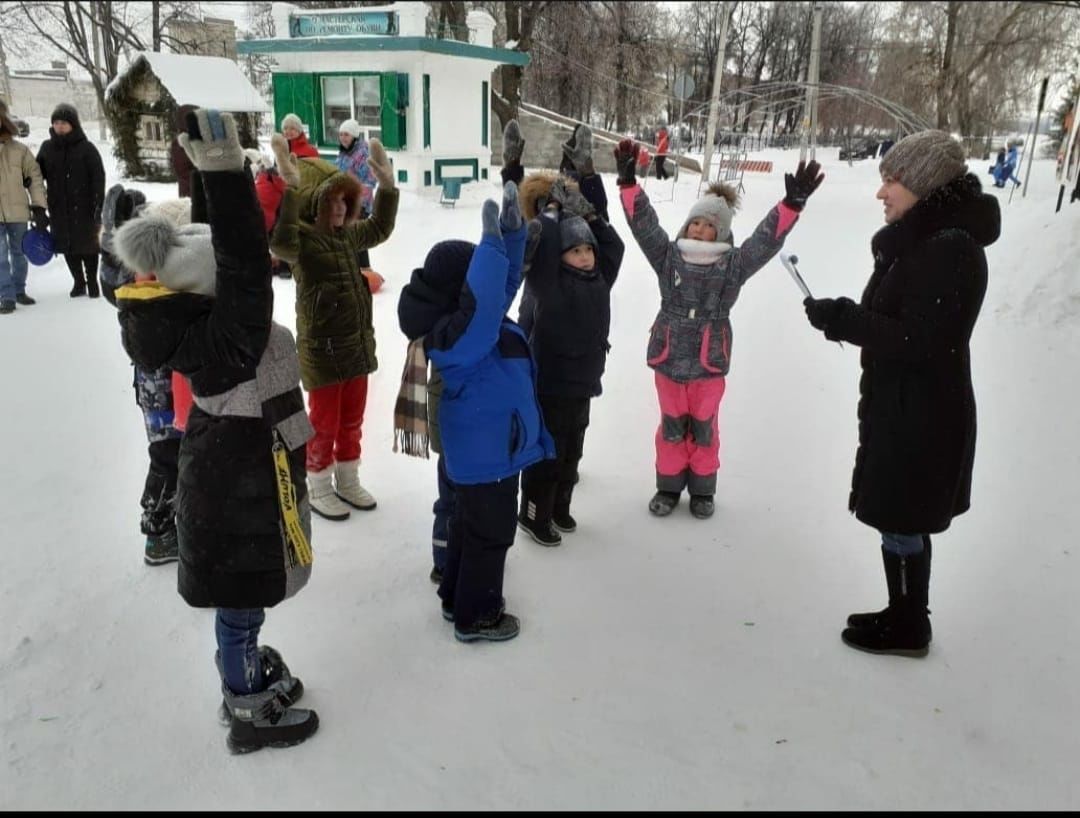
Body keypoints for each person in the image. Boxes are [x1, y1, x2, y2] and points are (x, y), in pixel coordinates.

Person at [112, 108, 318, 752]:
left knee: (245, 600)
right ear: (211, 291)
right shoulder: (228, 337)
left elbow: (211, 244)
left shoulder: (201, 322)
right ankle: (247, 703)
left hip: (242, 470)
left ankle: (247, 662)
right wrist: (227, 175)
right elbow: (242, 262)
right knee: (239, 601)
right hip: (239, 484)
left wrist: (200, 170)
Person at [802, 130, 999, 657]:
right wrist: (845, 318)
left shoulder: (950, 248)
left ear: (922, 184)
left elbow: (921, 339)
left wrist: (845, 319)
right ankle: (904, 612)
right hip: (906, 404)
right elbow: (901, 324)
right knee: (899, 515)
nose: (881, 192)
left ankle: (910, 625)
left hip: (924, 412)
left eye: (891, 180)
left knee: (903, 515)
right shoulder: (926, 242)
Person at [612, 138, 823, 519]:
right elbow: (644, 227)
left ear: (721, 233)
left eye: (709, 225)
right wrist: (629, 185)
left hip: (708, 361)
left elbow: (763, 242)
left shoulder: (733, 265)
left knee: (704, 428)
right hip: (670, 356)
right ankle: (669, 485)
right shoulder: (669, 256)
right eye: (695, 221)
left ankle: (703, 489)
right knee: (672, 426)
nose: (699, 228)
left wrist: (790, 206)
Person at [397, 182, 553, 642]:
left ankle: (454, 595)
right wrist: (489, 246)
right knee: (490, 535)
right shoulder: (459, 338)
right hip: (490, 458)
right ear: (458, 292)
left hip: (486, 453)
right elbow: (486, 297)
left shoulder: (464, 324)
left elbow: (497, 288)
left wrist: (510, 237)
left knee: (469, 527)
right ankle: (477, 614)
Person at [269, 133, 399, 521]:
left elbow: (379, 229)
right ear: (316, 204)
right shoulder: (304, 243)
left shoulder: (348, 237)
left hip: (356, 348)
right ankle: (319, 483)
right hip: (323, 352)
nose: (340, 209)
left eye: (345, 200)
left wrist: (388, 188)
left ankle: (347, 478)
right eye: (331, 201)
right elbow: (281, 245)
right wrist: (291, 192)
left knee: (352, 421)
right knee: (323, 425)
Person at [514, 131, 625, 546]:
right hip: (549, 382)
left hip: (583, 383)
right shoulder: (549, 283)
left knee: (571, 453)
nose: (584, 256)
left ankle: (560, 504)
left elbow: (612, 244)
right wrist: (554, 211)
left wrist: (589, 209)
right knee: (547, 452)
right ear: (559, 257)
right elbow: (538, 246)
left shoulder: (600, 277)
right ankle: (534, 514)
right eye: (575, 251)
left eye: (587, 251)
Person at [99, 183, 185, 566]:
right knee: (167, 454)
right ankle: (157, 532)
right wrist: (110, 242)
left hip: (170, 382)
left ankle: (173, 521)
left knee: (177, 453)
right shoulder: (133, 280)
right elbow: (112, 284)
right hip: (157, 386)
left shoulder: (167, 266)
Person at [35, 103, 106, 298]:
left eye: (63, 122)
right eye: (56, 122)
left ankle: (92, 281)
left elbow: (98, 177)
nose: (59, 126)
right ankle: (78, 282)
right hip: (59, 207)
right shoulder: (47, 148)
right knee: (66, 245)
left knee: (88, 245)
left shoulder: (87, 148)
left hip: (84, 206)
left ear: (73, 124)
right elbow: (36, 173)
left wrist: (98, 203)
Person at [0, 98, 47, 314]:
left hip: (18, 211)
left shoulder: (20, 150)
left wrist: (38, 206)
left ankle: (19, 290)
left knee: (19, 253)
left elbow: (35, 177)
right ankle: (6, 295)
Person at [334, 118, 383, 293]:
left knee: (357, 235)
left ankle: (365, 270)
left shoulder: (363, 154)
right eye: (340, 134)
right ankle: (352, 270)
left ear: (354, 135)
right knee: (346, 236)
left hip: (360, 202)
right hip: (343, 202)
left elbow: (370, 180)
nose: (343, 138)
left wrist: (356, 196)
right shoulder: (343, 153)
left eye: (346, 134)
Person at [170, 105, 196, 198]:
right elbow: (183, 171)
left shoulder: (193, 138)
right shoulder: (180, 142)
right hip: (190, 193)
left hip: (195, 191)